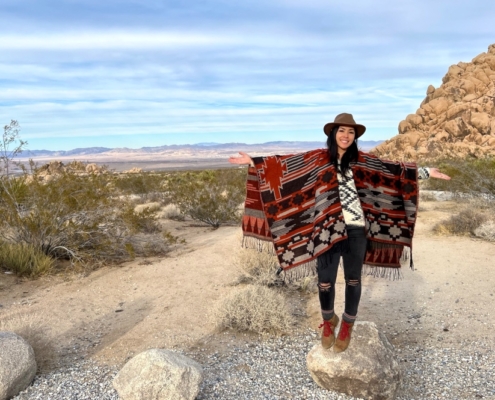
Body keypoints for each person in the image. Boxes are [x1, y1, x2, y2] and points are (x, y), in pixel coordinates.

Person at [229, 113, 450, 352]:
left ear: (355, 137)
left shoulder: (364, 161)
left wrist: (426, 172)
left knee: (353, 279)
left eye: (351, 132)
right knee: (325, 281)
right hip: (326, 228)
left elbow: (393, 171)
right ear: (333, 134)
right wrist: (254, 161)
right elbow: (283, 165)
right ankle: (328, 321)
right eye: (342, 131)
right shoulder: (316, 158)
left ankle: (347, 324)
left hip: (356, 229)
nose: (346, 136)